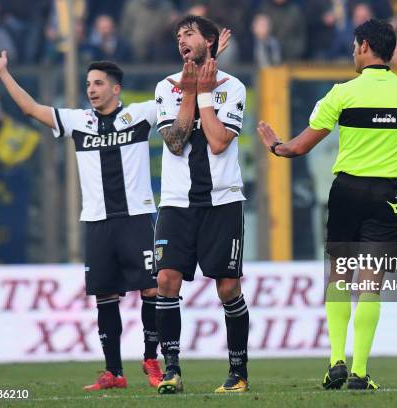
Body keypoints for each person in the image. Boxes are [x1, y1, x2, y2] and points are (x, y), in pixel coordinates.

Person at [0, 44, 163, 390]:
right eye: (88, 84)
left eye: (98, 83)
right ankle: (114, 373)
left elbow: (177, 100)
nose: (91, 89)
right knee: (105, 296)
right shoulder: (80, 121)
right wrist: (2, 72)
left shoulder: (140, 114)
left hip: (137, 217)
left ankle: (152, 361)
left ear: (115, 88)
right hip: (97, 222)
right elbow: (31, 109)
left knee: (151, 289)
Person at [257, 19, 397, 391]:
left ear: (365, 46)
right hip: (389, 195)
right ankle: (360, 372)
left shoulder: (341, 94)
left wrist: (275, 145)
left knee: (339, 276)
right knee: (371, 283)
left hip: (347, 191)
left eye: (354, 46)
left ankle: (335, 360)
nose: (352, 52)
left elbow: (298, 148)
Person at [153, 15, 249, 394]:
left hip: (222, 201)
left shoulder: (233, 87)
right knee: (165, 281)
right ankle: (172, 370)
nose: (181, 39)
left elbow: (219, 141)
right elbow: (175, 142)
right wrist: (190, 91)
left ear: (209, 41)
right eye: (178, 35)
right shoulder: (166, 88)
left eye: (189, 33)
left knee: (227, 289)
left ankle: (238, 372)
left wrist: (205, 92)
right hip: (177, 203)